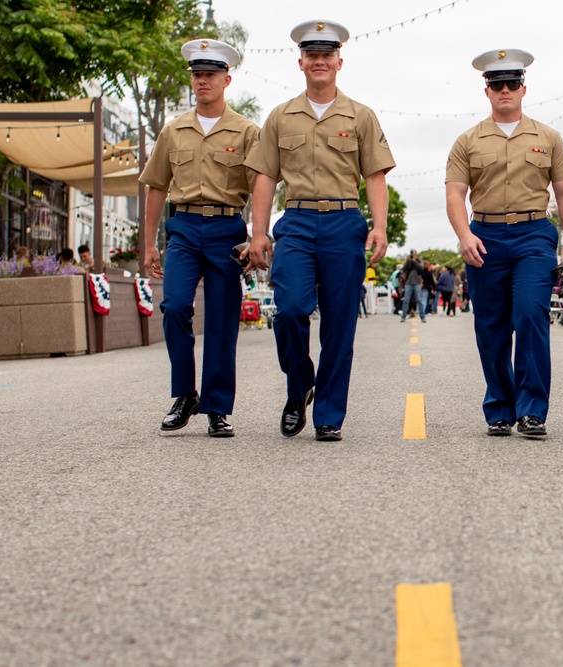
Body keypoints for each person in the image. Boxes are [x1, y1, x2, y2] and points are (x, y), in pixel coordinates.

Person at [244, 20, 394, 442]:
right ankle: (299, 387)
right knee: (290, 309)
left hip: (345, 223)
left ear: (339, 62)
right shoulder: (280, 117)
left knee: (340, 324)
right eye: (312, 55)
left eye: (327, 54)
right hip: (295, 221)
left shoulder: (361, 116)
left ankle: (328, 414)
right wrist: (259, 233)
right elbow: (264, 179)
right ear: (301, 62)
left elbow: (376, 176)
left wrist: (379, 226)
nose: (319, 61)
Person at [445, 48, 563, 437]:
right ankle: (500, 408)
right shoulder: (467, 141)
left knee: (530, 316)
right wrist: (464, 235)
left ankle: (532, 410)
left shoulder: (548, 137)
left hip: (533, 236)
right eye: (496, 84)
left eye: (511, 83)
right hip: (485, 237)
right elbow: (456, 194)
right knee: (490, 327)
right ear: (486, 91)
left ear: (524, 88)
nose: (504, 90)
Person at [139, 38, 258, 438]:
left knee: (223, 323)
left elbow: (261, 186)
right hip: (185, 229)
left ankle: (218, 408)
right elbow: (156, 185)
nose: (202, 81)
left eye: (210, 75)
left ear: (227, 79)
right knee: (173, 306)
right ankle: (185, 395)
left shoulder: (246, 131)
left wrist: (258, 236)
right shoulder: (174, 130)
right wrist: (149, 242)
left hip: (227, 230)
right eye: (197, 75)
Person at [399, 250, 425, 323]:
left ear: (416, 254)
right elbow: (403, 269)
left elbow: (421, 268)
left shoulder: (419, 261)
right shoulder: (408, 262)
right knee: (406, 300)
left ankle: (422, 317)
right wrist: (408, 261)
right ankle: (403, 316)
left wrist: (414, 261)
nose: (412, 255)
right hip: (408, 283)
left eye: (413, 254)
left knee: (419, 300)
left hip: (417, 282)